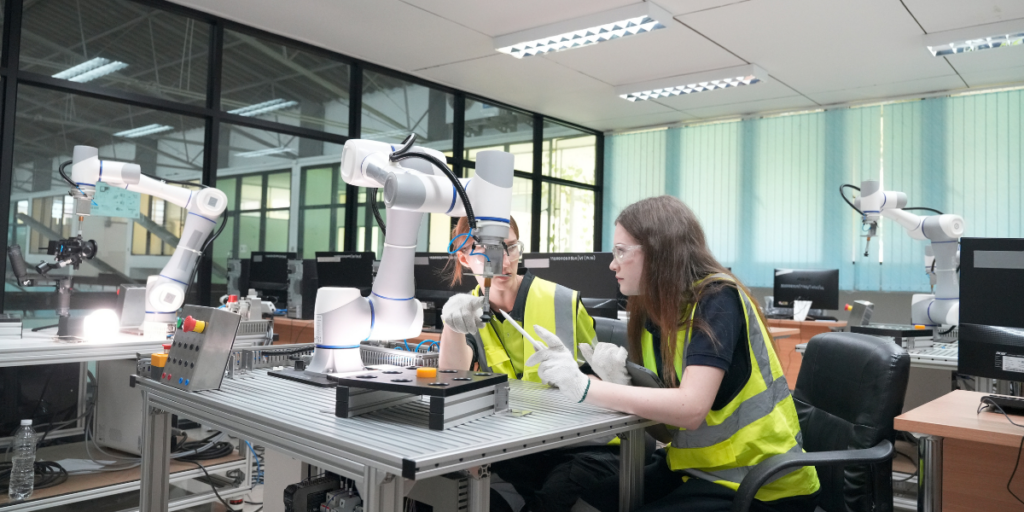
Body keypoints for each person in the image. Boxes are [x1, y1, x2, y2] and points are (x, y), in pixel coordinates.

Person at [524, 196, 821, 512]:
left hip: (762, 483)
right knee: (587, 503)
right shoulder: (655, 314)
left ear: (657, 252)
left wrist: (587, 388)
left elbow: (690, 409)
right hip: (693, 468)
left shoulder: (718, 299)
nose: (613, 264)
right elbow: (666, 431)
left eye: (621, 251)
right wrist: (621, 388)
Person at [438, 216, 624, 512]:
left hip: (583, 447)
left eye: (510, 248)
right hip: (517, 447)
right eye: (486, 250)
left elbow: (597, 381)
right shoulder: (468, 310)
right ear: (463, 257)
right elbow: (451, 380)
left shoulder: (561, 301)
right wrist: (451, 325)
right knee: (451, 488)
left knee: (548, 502)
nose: (503, 260)